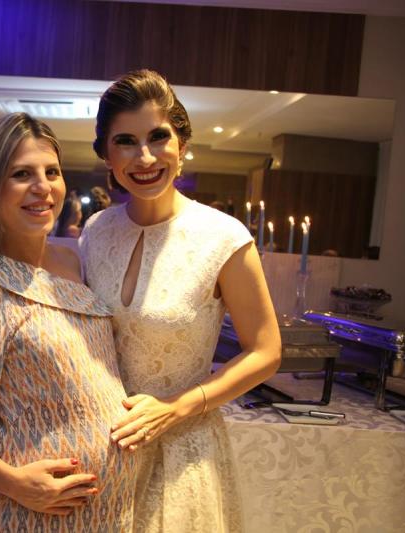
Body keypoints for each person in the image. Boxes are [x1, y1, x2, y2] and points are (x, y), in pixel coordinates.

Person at [0, 112, 137, 532]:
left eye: (51, 172)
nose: (43, 187)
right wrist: (16, 484)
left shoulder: (71, 260)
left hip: (106, 513)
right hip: (26, 514)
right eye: (21, 174)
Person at [80, 70, 281, 532]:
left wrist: (175, 407)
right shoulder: (95, 232)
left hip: (183, 451)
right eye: (126, 141)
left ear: (182, 143)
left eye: (158, 137)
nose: (145, 157)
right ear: (106, 154)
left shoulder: (223, 237)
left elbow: (267, 351)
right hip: (103, 448)